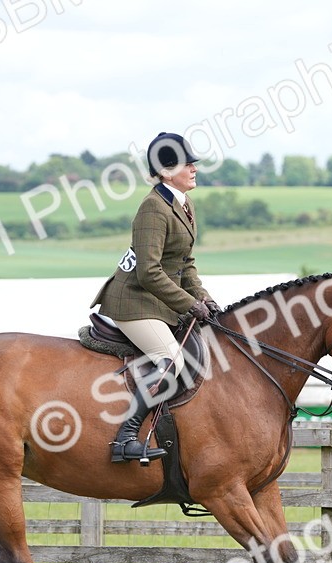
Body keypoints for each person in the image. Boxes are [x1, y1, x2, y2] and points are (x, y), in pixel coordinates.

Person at [90, 131, 219, 463]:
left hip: (156, 301)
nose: (194, 168)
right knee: (172, 362)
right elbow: (148, 272)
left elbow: (184, 263)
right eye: (186, 163)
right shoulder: (153, 208)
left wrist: (205, 297)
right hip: (133, 302)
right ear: (165, 171)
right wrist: (189, 304)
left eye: (193, 162)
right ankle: (126, 437)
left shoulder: (183, 204)